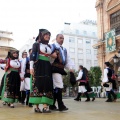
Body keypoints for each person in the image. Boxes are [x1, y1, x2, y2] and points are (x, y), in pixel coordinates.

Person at [29, 29, 56, 113]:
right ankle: (36, 107)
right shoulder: (36, 44)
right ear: (41, 36)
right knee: (38, 83)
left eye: (49, 35)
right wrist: (31, 67)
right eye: (46, 35)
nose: (47, 36)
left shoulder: (49, 47)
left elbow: (51, 59)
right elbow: (33, 56)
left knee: (47, 84)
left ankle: (45, 106)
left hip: (47, 66)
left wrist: (52, 58)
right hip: (38, 65)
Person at [49, 34, 74, 111]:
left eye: (63, 38)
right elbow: (47, 56)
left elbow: (67, 60)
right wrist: (51, 56)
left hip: (60, 70)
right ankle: (60, 105)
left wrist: (70, 68)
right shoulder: (52, 46)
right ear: (56, 38)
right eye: (60, 38)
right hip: (54, 69)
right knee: (59, 86)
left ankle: (52, 105)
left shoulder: (64, 49)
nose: (62, 39)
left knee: (57, 86)